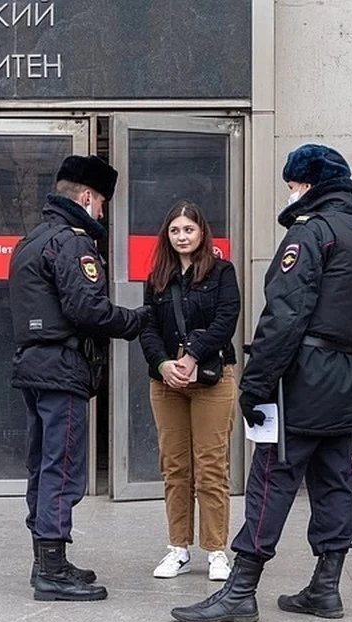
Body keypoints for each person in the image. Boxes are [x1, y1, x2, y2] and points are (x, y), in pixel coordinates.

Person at [170, 144, 352, 622]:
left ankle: (240, 591)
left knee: (272, 476)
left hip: (302, 376)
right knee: (335, 480)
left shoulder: (310, 235)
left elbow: (285, 317)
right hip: (345, 378)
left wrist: (256, 384)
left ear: (307, 184)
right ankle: (326, 588)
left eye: (292, 184)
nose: (289, 193)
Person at [9, 154, 151, 602]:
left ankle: (46, 561)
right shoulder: (72, 242)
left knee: (43, 464)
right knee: (62, 468)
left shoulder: (31, 240)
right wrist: (139, 320)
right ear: (86, 197)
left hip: (35, 367)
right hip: (62, 370)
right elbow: (87, 309)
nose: (103, 213)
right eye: (102, 203)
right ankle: (52, 570)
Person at [139, 201, 241, 583]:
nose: (182, 237)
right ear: (167, 236)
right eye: (175, 231)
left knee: (211, 466)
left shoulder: (222, 272)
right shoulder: (156, 278)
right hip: (167, 384)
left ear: (202, 233)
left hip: (211, 380)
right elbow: (147, 328)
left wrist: (193, 357)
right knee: (175, 467)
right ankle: (177, 548)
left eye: (189, 230)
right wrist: (165, 364)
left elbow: (226, 319)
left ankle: (216, 550)